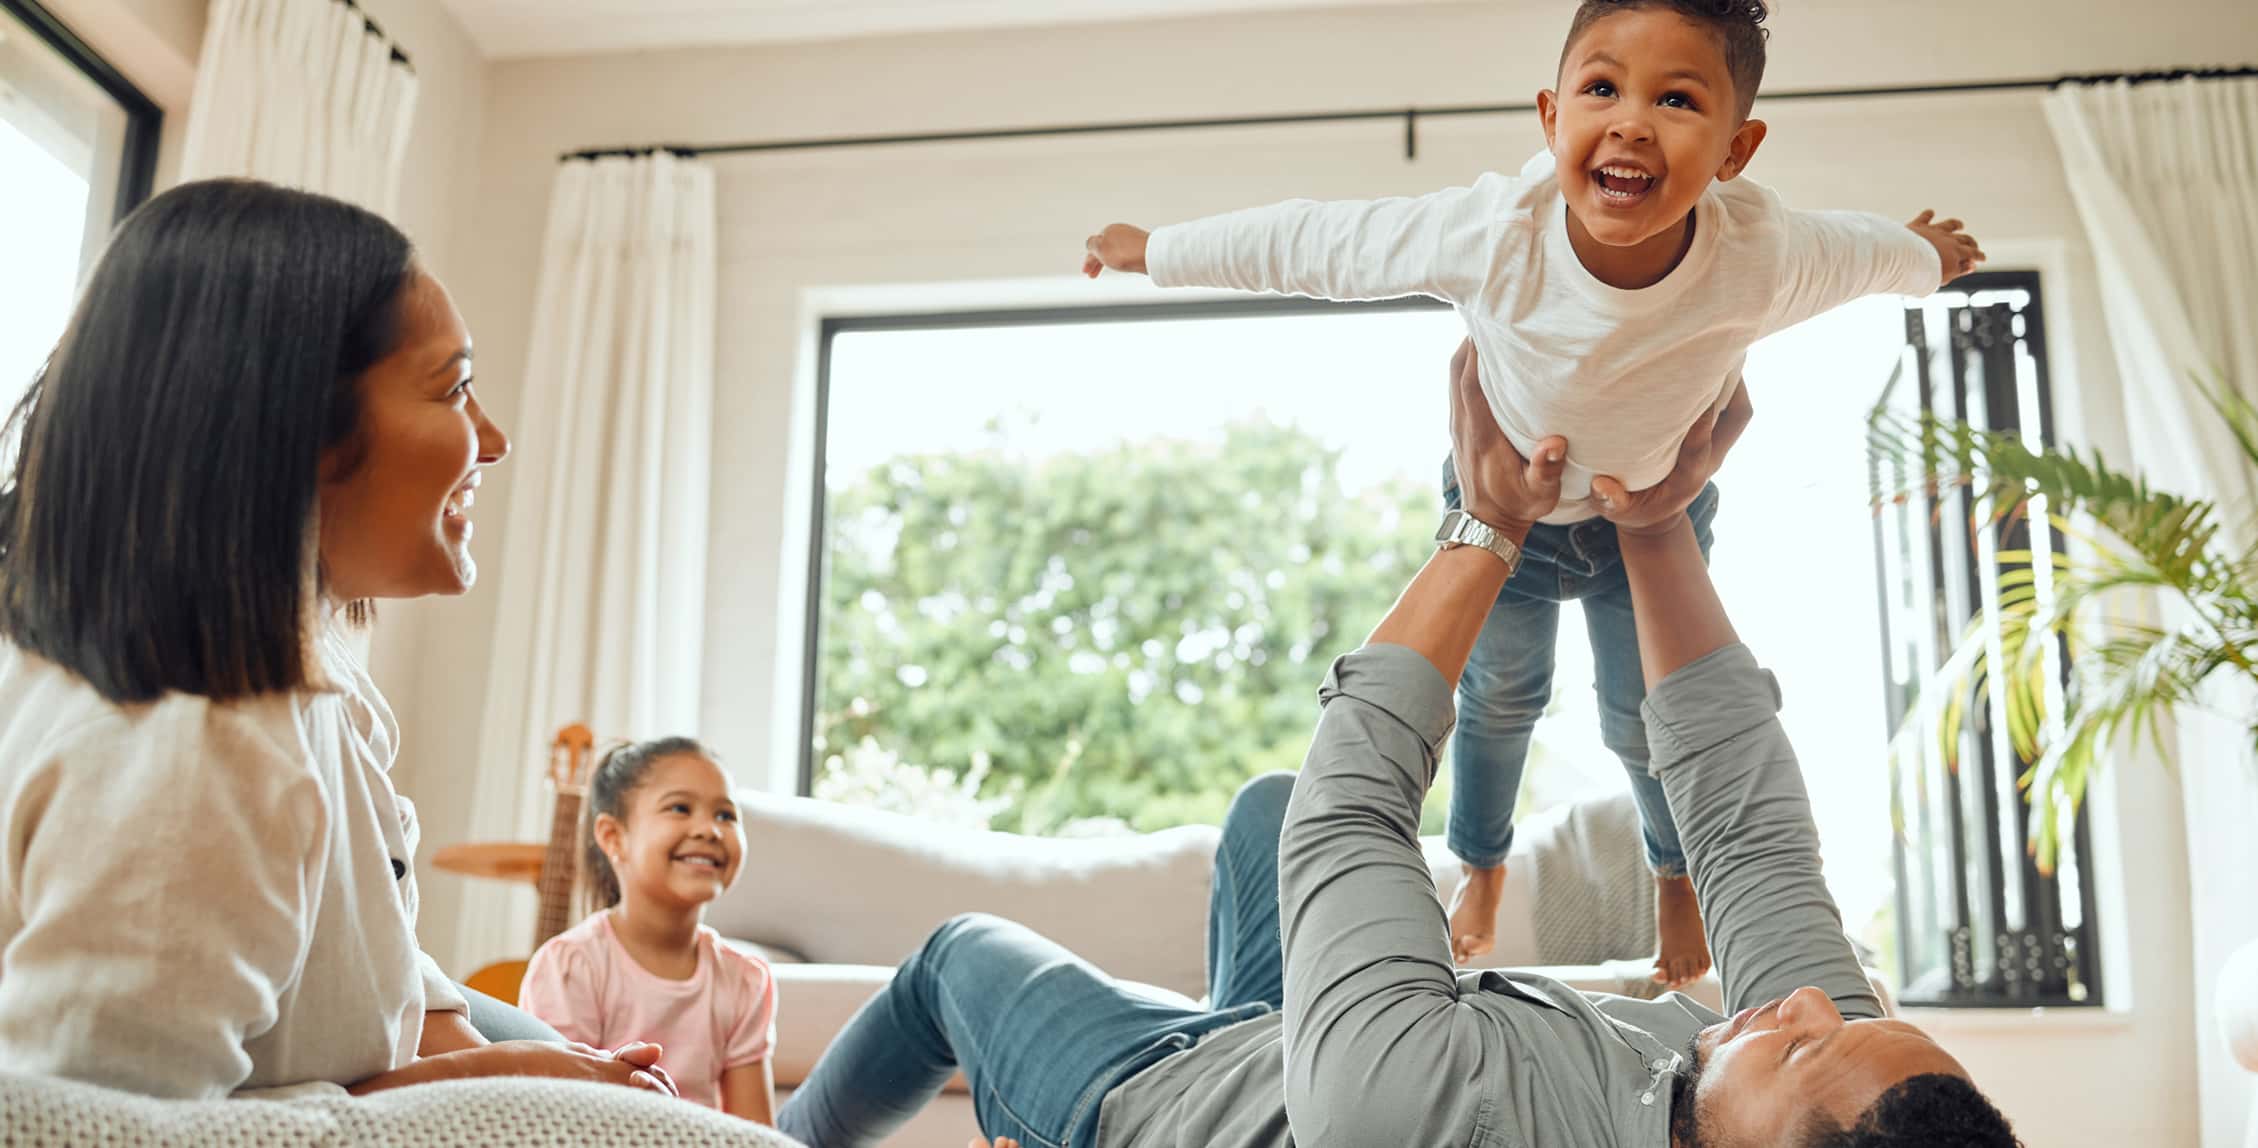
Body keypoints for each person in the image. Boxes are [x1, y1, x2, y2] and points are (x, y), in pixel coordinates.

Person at [775, 343, 2023, 1148]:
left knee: (953, 957)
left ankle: (780, 1138)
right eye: (1832, 1013)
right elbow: (1745, 829)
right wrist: (1654, 524)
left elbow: (1353, 806)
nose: (1803, 1002)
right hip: (1297, 1053)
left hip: (1153, 1103)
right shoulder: (1833, 1073)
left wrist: (1483, 523)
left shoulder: (1426, 1120)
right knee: (1258, 809)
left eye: (1799, 1038)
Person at [1080, 0, 1987, 984]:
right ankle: (1480, 861)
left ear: (1735, 150)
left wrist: (1927, 257)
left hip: (1652, 511)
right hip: (1509, 511)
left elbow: (1865, 253)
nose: (1631, 121)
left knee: (1639, 716)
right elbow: (1318, 243)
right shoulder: (1493, 233)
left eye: (1675, 99)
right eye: (1602, 88)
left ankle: (1671, 871)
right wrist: (1157, 249)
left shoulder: (1759, 254)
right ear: (1550, 118)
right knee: (1497, 697)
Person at [0, 178, 701, 1107]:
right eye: (454, 389)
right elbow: (101, 1128)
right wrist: (488, 1109)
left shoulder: (289, 673)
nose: (491, 440)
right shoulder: (201, 744)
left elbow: (373, 968)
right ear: (295, 432)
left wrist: (505, 1073)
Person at [520, 738, 780, 1122]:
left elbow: (756, 1133)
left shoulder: (743, 979)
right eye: (680, 808)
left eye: (725, 815)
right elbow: (557, 1119)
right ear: (613, 837)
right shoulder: (570, 966)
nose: (709, 829)